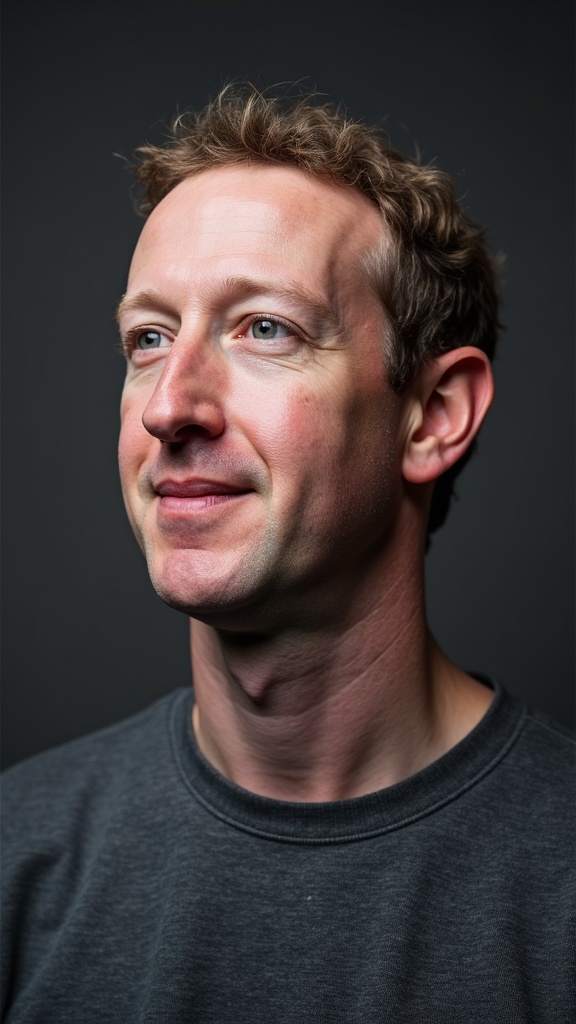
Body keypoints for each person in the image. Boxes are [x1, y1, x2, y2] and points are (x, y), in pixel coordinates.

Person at [2, 84, 573, 1023]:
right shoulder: (17, 856)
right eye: (148, 339)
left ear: (431, 417)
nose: (168, 406)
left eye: (265, 327)